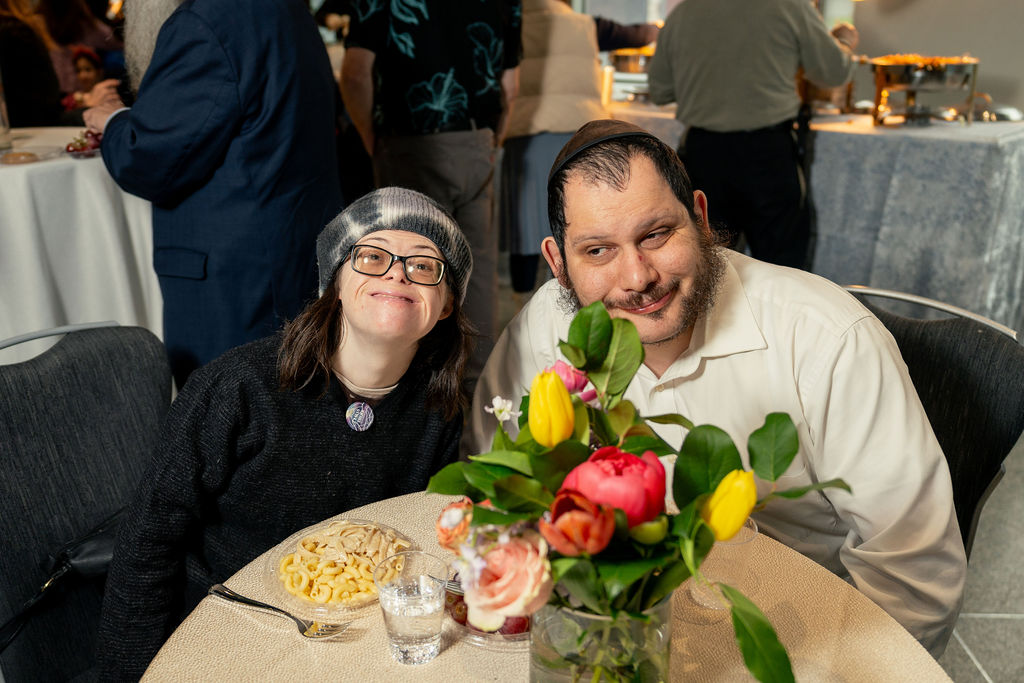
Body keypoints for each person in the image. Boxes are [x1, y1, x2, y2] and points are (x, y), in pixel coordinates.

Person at [468, 119, 966, 657]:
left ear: (701, 219)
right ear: (558, 264)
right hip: (613, 633)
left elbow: (914, 581)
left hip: (795, 639)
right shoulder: (546, 325)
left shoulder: (828, 339)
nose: (637, 278)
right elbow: (494, 496)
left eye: (656, 234)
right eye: (597, 251)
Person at [96, 187, 474, 680]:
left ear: (445, 305)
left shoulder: (441, 408)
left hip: (357, 647)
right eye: (372, 256)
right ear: (335, 283)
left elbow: (423, 540)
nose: (397, 273)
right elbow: (147, 544)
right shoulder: (237, 387)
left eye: (424, 266)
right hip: (225, 635)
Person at [83, 0, 342, 389]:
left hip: (235, 274)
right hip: (290, 248)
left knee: (227, 409)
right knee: (286, 400)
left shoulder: (203, 20)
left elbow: (151, 161)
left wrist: (114, 120)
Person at [341, 0, 522, 388]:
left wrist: (370, 139)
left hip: (409, 142)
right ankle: (477, 391)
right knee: (477, 272)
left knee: (409, 268)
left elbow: (355, 75)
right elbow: (511, 87)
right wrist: (490, 141)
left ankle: (421, 396)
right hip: (476, 140)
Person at [647, 0, 859, 269]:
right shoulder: (789, 6)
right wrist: (844, 40)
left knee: (707, 265)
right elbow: (834, 72)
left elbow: (660, 90)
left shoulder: (685, 12)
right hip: (766, 151)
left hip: (703, 152)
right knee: (781, 266)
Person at [502, 0, 659, 294]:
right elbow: (639, 35)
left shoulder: (510, 25)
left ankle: (521, 305)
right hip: (577, 137)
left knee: (525, 229)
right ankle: (570, 299)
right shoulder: (587, 25)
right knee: (574, 226)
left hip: (525, 135)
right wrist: (658, 29)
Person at [0, 0, 117, 126]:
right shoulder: (16, 31)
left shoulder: (34, 21)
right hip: (43, 125)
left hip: (65, 102)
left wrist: (77, 99)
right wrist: (87, 108)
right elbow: (40, 117)